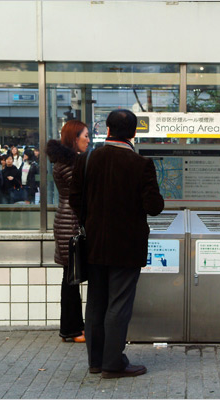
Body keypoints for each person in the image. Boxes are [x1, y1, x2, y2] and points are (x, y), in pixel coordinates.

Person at [69, 109, 164, 378]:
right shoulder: (141, 164)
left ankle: (96, 361)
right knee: (118, 305)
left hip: (94, 244)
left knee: (96, 302)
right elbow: (154, 207)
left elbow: (75, 199)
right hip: (127, 247)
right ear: (134, 133)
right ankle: (113, 363)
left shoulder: (87, 160)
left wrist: (94, 220)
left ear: (108, 130)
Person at [46, 120, 90, 343]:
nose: (88, 140)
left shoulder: (63, 161)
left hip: (65, 220)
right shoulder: (72, 164)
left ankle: (72, 328)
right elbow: (80, 196)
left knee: (70, 278)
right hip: (71, 223)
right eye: (85, 136)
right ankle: (72, 330)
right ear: (75, 138)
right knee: (71, 280)